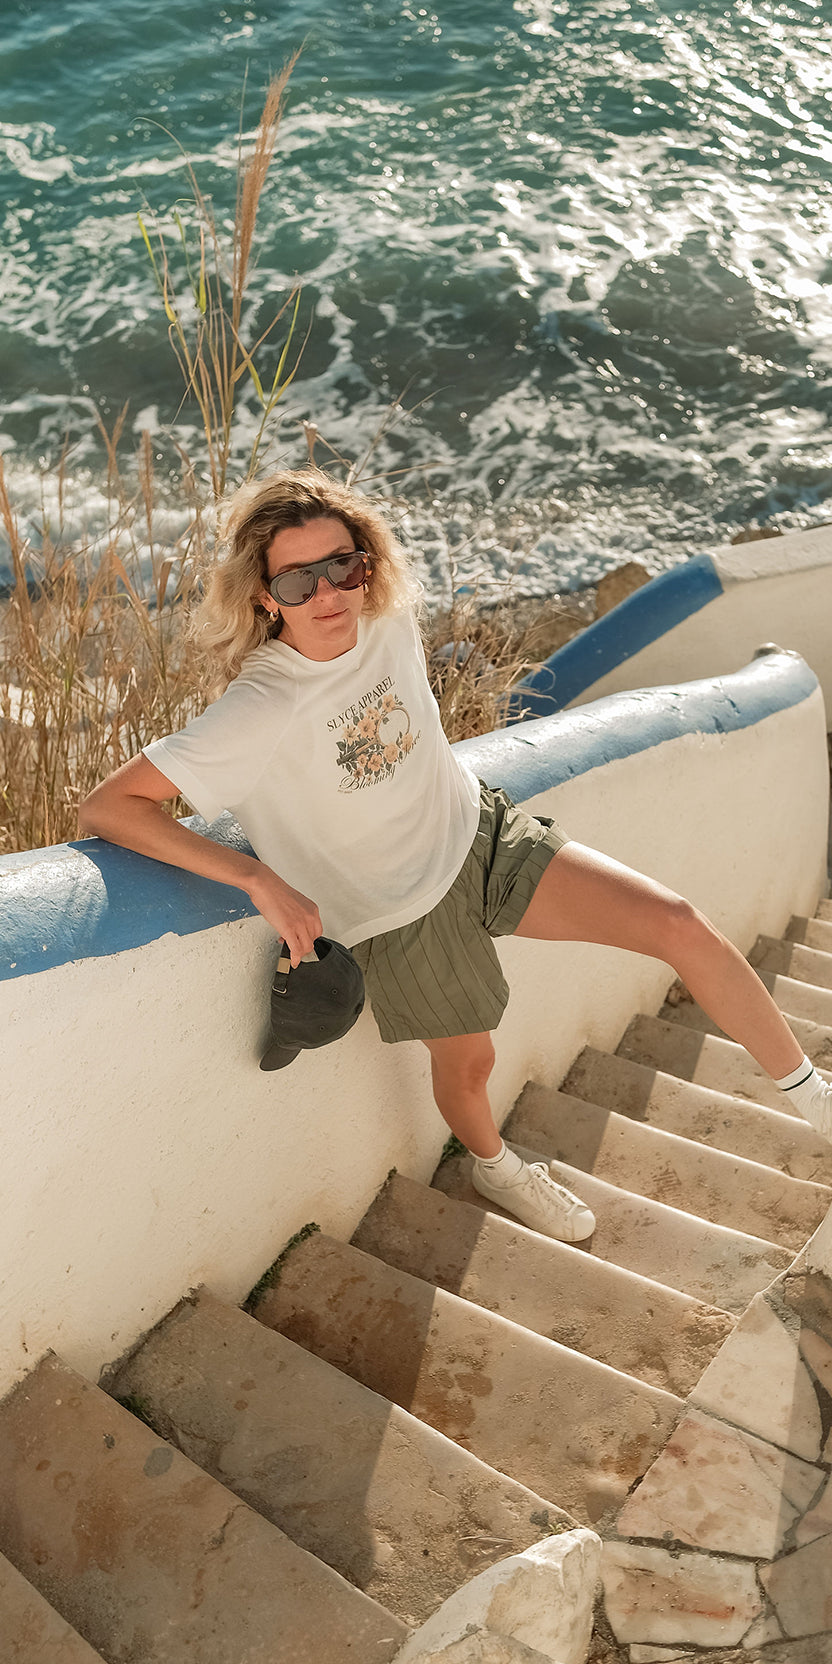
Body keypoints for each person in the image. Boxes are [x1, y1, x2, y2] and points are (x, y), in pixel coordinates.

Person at [78, 469, 832, 1244]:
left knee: (677, 923)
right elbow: (109, 806)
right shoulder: (262, 705)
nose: (328, 593)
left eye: (343, 565)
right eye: (299, 581)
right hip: (398, 916)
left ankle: (815, 1099)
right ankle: (495, 1166)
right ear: (266, 598)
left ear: (367, 562)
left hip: (479, 834)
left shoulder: (388, 617)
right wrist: (255, 877)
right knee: (471, 1067)